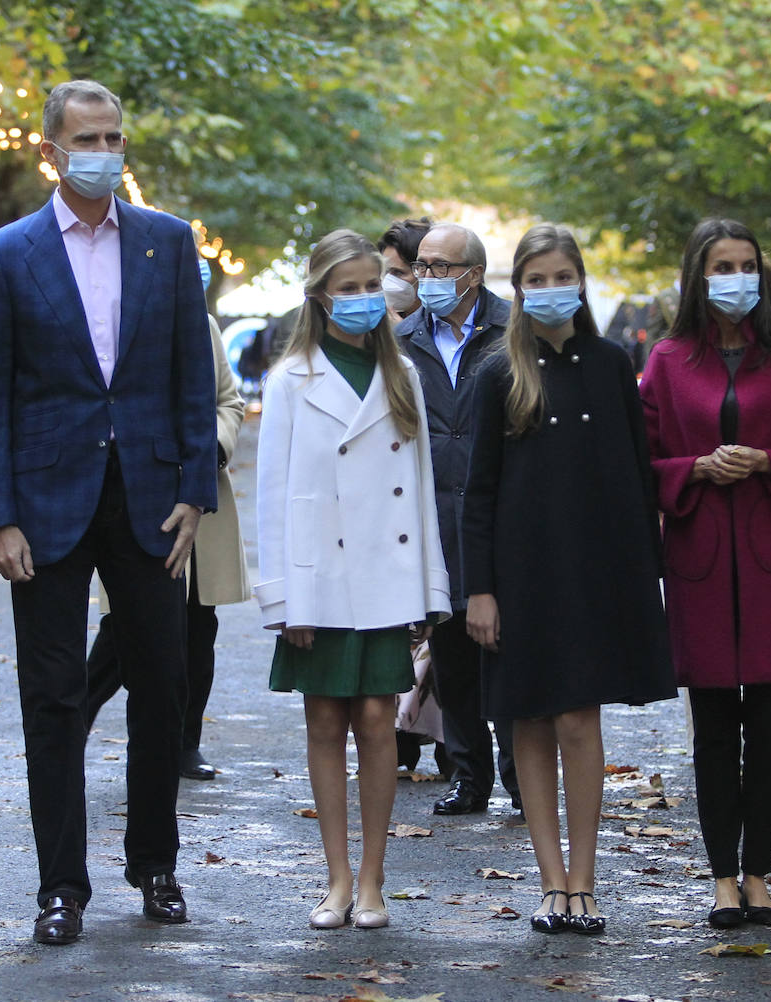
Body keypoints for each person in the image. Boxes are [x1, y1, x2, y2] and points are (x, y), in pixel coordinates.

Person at [0, 80, 217, 943]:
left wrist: (196, 491)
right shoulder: (6, 254)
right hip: (42, 506)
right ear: (50, 150)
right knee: (54, 696)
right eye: (87, 138)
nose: (104, 151)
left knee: (164, 684)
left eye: (114, 137)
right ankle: (60, 888)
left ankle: (155, 865)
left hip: (152, 501)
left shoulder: (168, 244)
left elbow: (192, 376)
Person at [462, 223, 676, 936]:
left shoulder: (614, 363)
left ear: (580, 281)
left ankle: (584, 880)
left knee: (581, 718)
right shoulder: (499, 371)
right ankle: (549, 879)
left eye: (563, 276)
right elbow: (479, 491)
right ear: (518, 288)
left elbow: (636, 475)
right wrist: (479, 589)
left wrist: (644, 573)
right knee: (527, 716)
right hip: (519, 574)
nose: (552, 290)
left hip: (596, 569)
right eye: (538, 279)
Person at [639, 218, 771, 930]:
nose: (737, 276)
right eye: (723, 265)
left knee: (769, 725)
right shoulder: (667, 359)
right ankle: (721, 879)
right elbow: (643, 459)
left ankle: (759, 874)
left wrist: (767, 460)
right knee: (711, 729)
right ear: (698, 275)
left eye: (748, 264)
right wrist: (694, 468)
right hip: (700, 559)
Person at [255, 229, 450, 930]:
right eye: (349, 288)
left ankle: (373, 879)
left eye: (374, 287)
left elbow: (421, 489)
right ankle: (335, 877)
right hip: (319, 579)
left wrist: (430, 591)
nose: (365, 299)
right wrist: (283, 597)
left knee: (377, 722)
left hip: (387, 574)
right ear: (319, 296)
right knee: (324, 721)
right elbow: (274, 497)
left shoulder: (404, 376)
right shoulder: (291, 379)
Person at [84, 268, 251, 781]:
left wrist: (210, 452)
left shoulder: (201, 326)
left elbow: (229, 402)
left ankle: (185, 741)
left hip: (202, 496)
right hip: (138, 499)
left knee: (200, 629)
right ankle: (74, 722)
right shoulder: (105, 325)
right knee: (126, 630)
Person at [396, 222, 521, 818]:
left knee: (508, 649)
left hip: (500, 510)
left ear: (473, 273)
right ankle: (469, 777)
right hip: (432, 515)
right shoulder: (401, 339)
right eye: (421, 266)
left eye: (440, 267)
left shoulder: (512, 331)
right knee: (451, 656)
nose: (427, 278)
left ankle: (522, 779)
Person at [378, 217, 431, 322]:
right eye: (384, 272)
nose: (386, 281)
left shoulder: (443, 328)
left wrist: (401, 334)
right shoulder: (375, 323)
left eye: (398, 272)